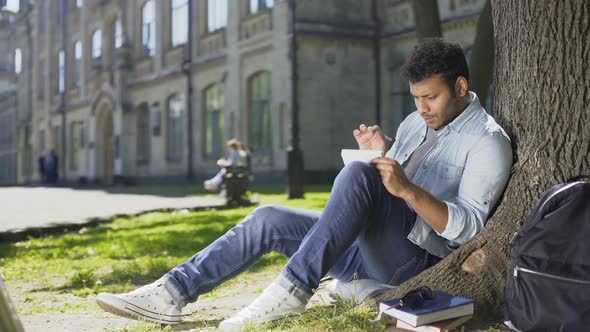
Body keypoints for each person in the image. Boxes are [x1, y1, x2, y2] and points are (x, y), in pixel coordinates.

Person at [96, 38, 513, 330]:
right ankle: (172, 292)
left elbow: (470, 230)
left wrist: (404, 188)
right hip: (365, 246)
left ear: (461, 87)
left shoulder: (488, 142)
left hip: (416, 261)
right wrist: (379, 152)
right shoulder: (413, 122)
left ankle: (292, 291)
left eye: (431, 98)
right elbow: (391, 184)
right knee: (267, 217)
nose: (421, 109)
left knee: (358, 174)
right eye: (415, 98)